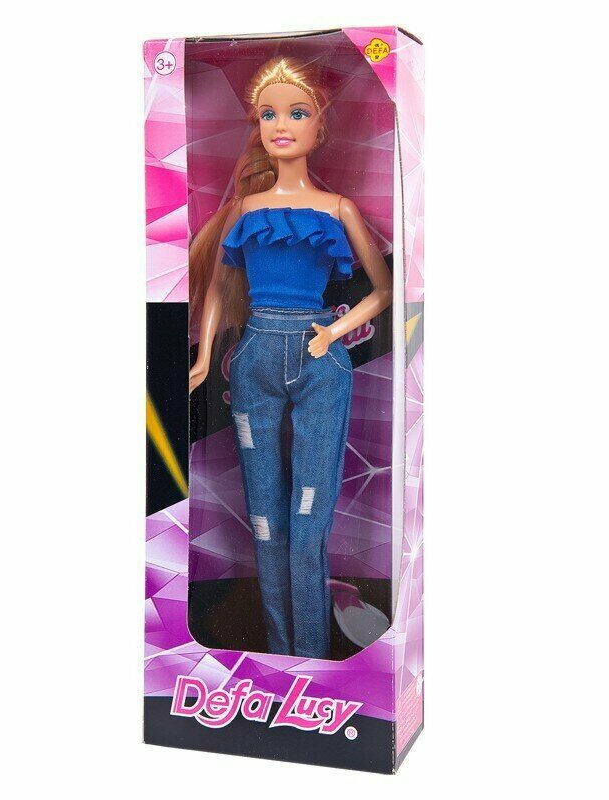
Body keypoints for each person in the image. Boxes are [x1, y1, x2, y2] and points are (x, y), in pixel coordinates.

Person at [189, 55, 392, 659]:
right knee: (265, 520)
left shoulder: (337, 210)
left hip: (317, 356)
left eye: (297, 113)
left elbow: (383, 290)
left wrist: (334, 333)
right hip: (254, 356)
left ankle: (312, 657)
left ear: (320, 125)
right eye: (268, 114)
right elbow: (220, 292)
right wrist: (204, 358)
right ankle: (281, 654)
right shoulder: (245, 212)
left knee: (308, 521)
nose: (281, 125)